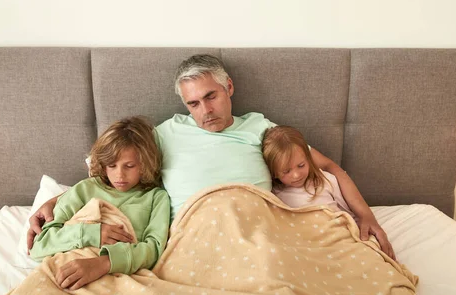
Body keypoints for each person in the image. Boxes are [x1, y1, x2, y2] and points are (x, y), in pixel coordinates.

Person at [28, 54, 394, 259]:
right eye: (193, 103)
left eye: (211, 96)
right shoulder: (164, 133)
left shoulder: (260, 128)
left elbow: (328, 167)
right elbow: (117, 170)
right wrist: (60, 198)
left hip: (258, 224)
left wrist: (365, 216)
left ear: (229, 87)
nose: (205, 110)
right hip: (194, 230)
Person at [29, 116, 170, 290]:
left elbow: (153, 250)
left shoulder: (156, 198)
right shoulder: (84, 190)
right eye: (112, 165)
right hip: (67, 272)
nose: (119, 175)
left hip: (118, 275)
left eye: (129, 166)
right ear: (103, 165)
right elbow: (40, 246)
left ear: (145, 163)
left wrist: (104, 263)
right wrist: (93, 233)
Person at [262, 125, 395, 259]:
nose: (296, 175)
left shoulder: (326, 180)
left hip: (335, 238)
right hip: (306, 247)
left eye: (301, 165)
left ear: (308, 159)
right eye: (286, 171)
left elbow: (348, 215)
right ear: (274, 173)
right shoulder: (274, 195)